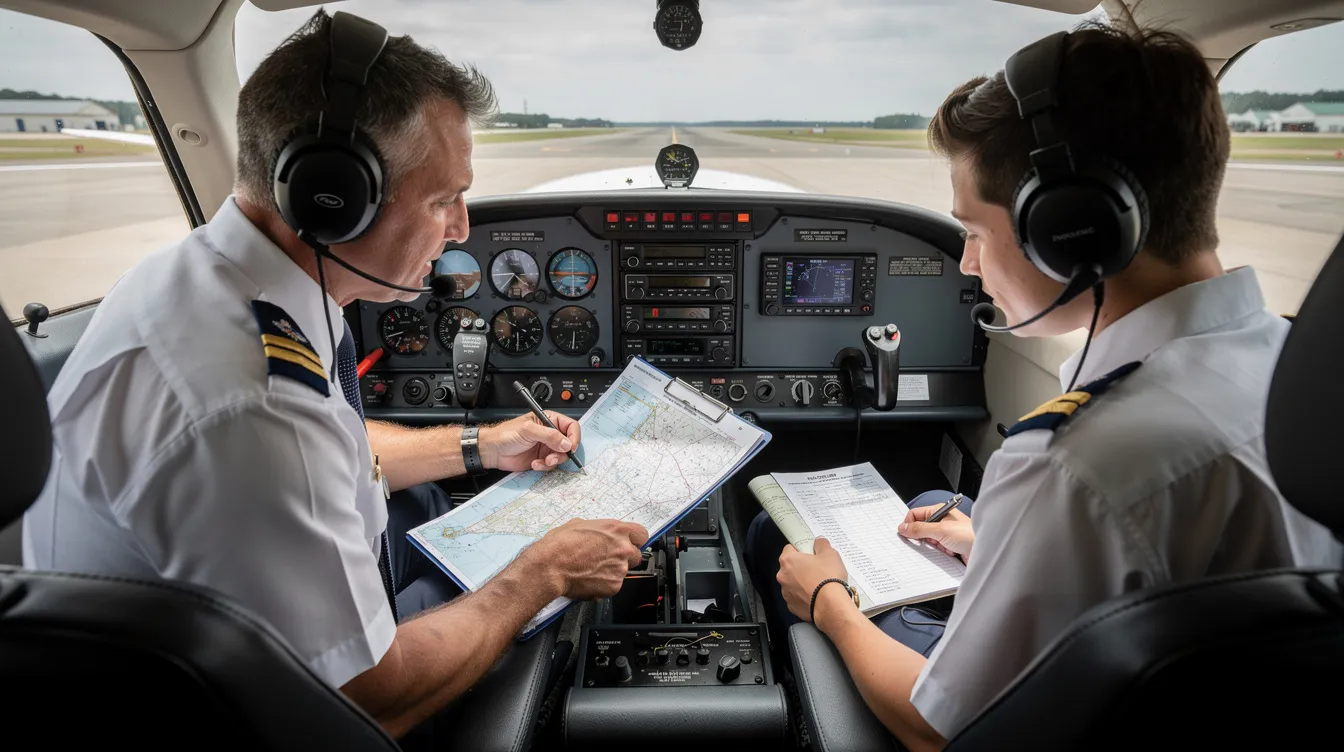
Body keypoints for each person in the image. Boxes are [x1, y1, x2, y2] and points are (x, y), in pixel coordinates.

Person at [22, 9, 647, 742]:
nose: (461, 229)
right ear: (335, 199)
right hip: (263, 711)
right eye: (442, 199)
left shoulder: (214, 279)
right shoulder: (249, 405)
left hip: (207, 642)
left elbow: (335, 447)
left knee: (443, 507)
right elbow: (366, 699)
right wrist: (542, 573)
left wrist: (482, 444)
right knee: (550, 625)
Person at [746, 21, 1342, 752]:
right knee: (936, 505)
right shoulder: (1292, 364)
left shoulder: (1073, 464)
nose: (966, 265)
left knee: (776, 536)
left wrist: (829, 604)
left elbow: (939, 730)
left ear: (1069, 229)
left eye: (973, 231)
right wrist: (994, 540)